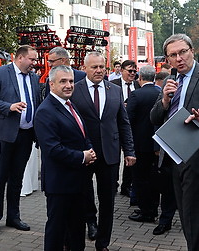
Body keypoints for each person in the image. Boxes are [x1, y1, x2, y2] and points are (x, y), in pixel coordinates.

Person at [150, 34, 199, 251]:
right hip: (174, 156)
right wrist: (165, 101)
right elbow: (154, 117)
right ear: (167, 59)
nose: (179, 58)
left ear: (192, 51)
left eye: (183, 52)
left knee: (196, 215)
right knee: (186, 215)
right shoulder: (170, 80)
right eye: (173, 55)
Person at [71, 51, 136, 251]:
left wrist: (129, 151)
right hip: (83, 154)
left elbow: (123, 123)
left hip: (110, 154)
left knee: (108, 201)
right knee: (80, 198)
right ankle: (77, 240)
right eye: (94, 67)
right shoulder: (74, 89)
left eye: (102, 67)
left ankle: (103, 242)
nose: (99, 71)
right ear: (84, 69)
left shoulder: (114, 90)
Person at [35, 65, 96, 251]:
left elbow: (80, 133)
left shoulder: (69, 104)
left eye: (70, 81)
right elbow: (52, 149)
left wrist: (89, 149)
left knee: (76, 229)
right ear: (51, 84)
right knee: (57, 231)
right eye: (63, 81)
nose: (69, 85)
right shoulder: (46, 111)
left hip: (77, 182)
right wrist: (81, 156)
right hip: (60, 184)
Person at [0, 45, 41, 236]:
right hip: (4, 135)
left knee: (17, 179)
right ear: (20, 58)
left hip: (26, 135)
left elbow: (36, 102)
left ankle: (14, 216)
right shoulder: (0, 73)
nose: (35, 63)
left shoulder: (34, 77)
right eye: (32, 59)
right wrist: (9, 106)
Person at [126, 65, 177, 236]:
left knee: (140, 179)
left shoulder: (136, 95)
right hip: (157, 145)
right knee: (154, 179)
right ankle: (154, 207)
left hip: (139, 145)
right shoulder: (160, 93)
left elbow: (128, 119)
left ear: (140, 78)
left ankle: (146, 211)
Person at [110, 60, 140, 199]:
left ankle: (126, 186)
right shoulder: (112, 85)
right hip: (114, 126)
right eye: (130, 71)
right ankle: (113, 183)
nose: (133, 74)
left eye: (135, 71)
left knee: (130, 155)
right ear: (121, 70)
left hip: (131, 126)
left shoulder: (137, 85)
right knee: (114, 156)